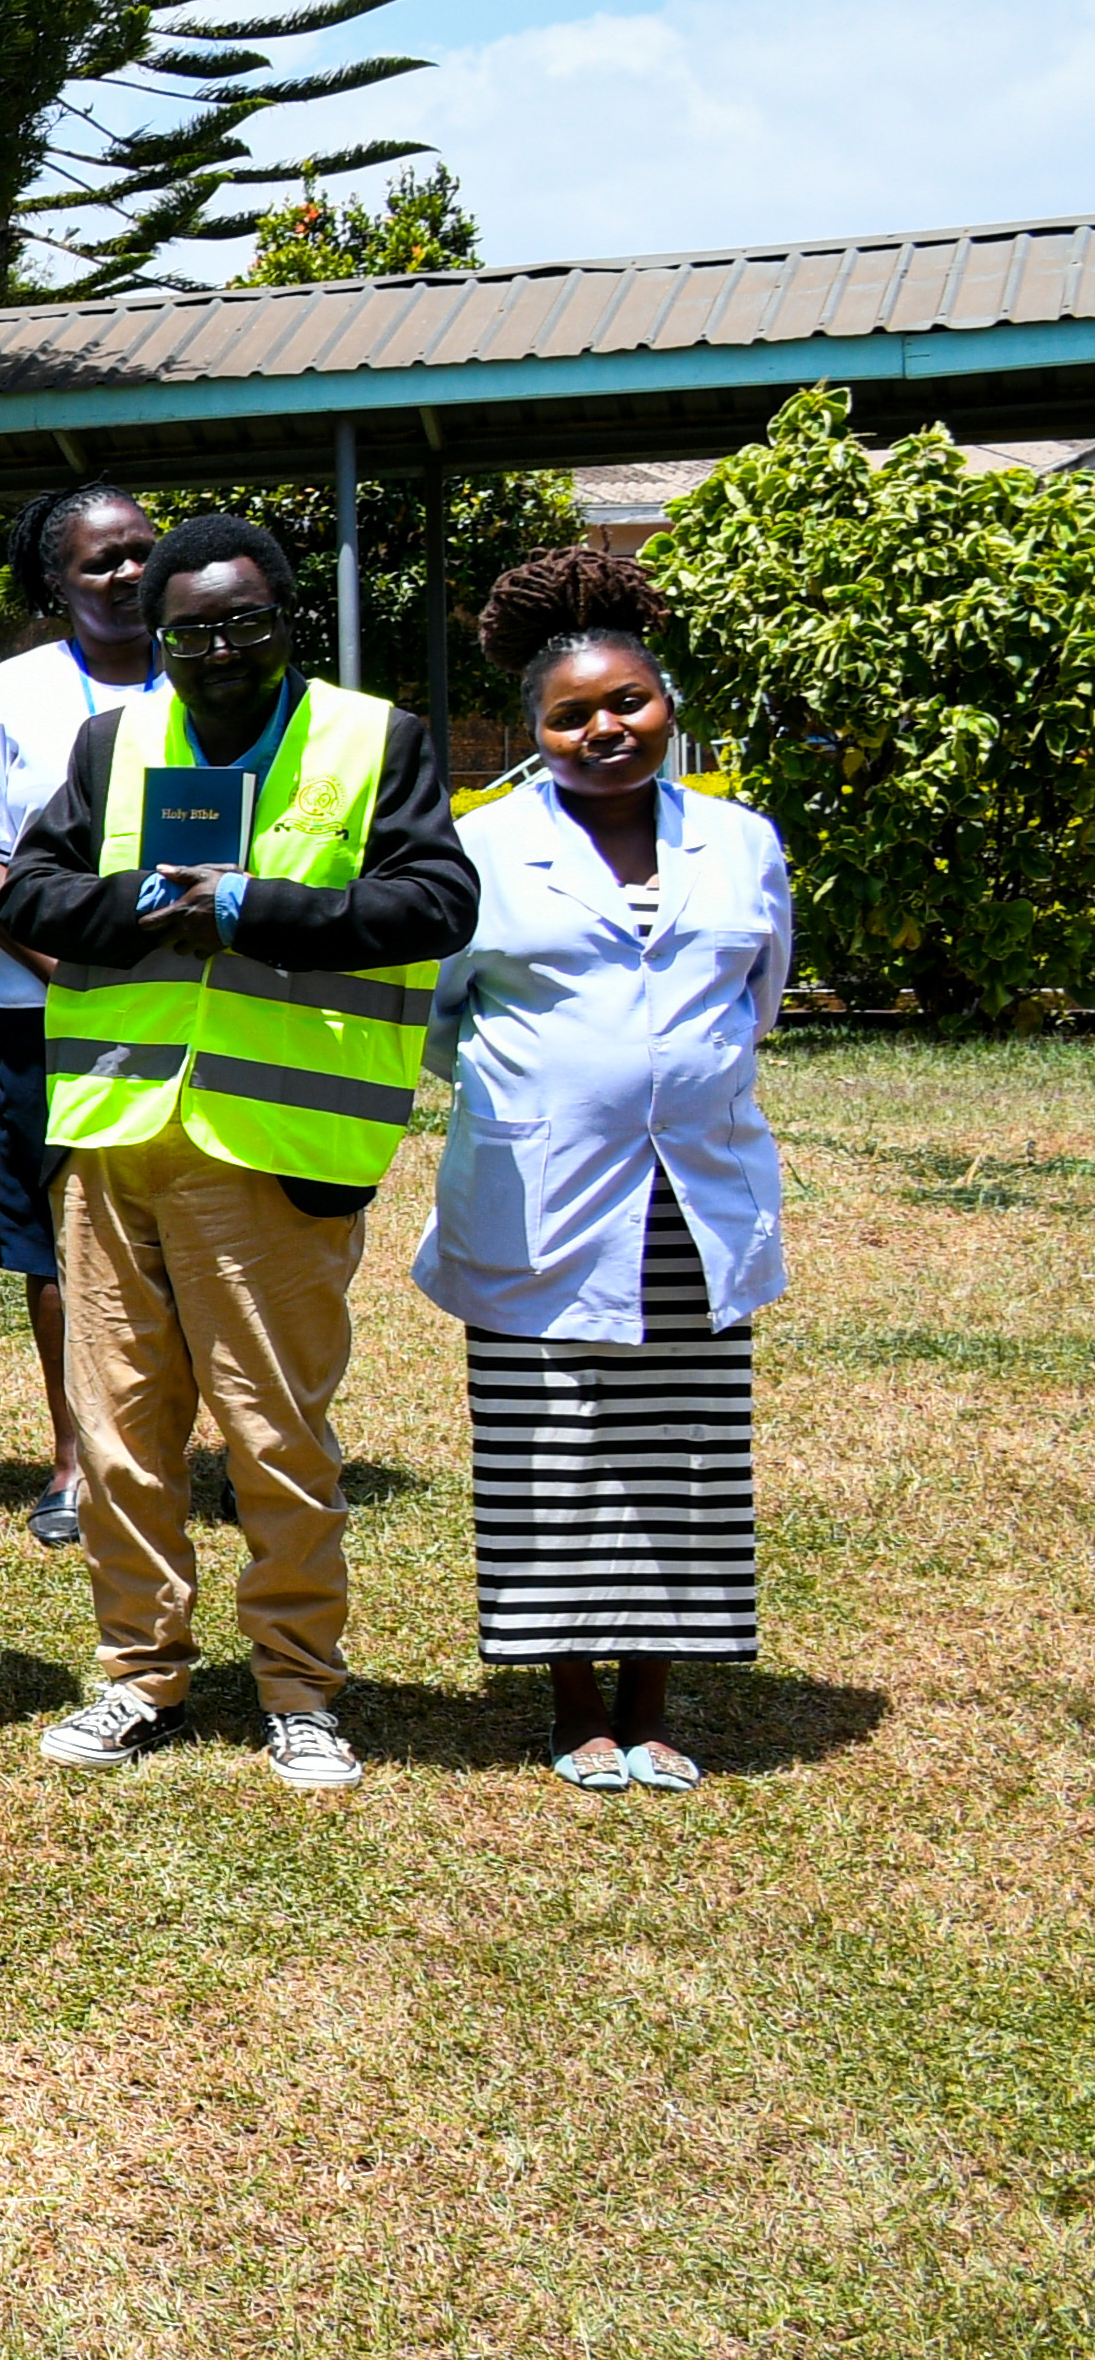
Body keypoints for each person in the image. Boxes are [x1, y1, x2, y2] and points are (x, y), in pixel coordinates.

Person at [0, 511, 477, 1790]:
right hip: (117, 1132)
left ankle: (299, 1686)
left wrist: (253, 907)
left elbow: (437, 900)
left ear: (286, 622)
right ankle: (138, 1671)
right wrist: (150, 901)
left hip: (273, 1140)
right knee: (119, 1431)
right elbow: (30, 892)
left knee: (273, 1433)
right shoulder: (115, 744)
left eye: (244, 623)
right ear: (158, 637)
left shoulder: (373, 742)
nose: (217, 650)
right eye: (190, 631)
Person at [417, 557, 788, 1788]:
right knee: (550, 1447)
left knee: (682, 1449)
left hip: (692, 1196)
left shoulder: (741, 843)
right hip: (543, 1195)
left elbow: (759, 994)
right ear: (534, 732)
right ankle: (573, 1701)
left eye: (628, 701)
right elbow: (439, 1013)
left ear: (666, 705)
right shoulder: (478, 846)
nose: (604, 729)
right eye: (570, 714)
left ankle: (656, 1700)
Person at [0, 486, 172, 1550]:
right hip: (47, 1011)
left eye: (141, 552)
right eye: (99, 561)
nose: (127, 574)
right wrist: (71, 972)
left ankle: (193, 1448)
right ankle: (76, 1458)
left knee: (195, 1230)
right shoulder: (17, 689)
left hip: (203, 1014)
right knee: (57, 1242)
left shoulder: (215, 672)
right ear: (55, 581)